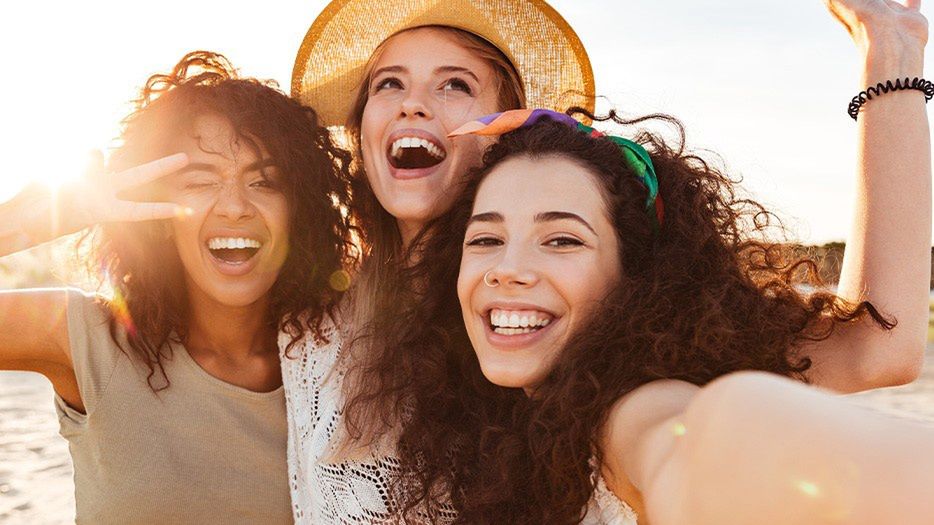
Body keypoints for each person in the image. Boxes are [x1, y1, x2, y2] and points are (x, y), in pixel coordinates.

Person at [281, 0, 930, 522]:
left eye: (455, 84)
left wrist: (891, 49)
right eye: (387, 83)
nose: (412, 102)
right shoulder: (308, 322)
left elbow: (864, 355)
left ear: (506, 128)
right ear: (363, 126)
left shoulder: (578, 335)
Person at [377, 104, 934, 523]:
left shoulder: (630, 411)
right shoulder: (496, 412)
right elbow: (879, 347)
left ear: (634, 277)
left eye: (563, 240)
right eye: (486, 239)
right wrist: (890, 48)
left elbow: (694, 442)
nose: (507, 268)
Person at [0, 51, 355, 523]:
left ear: (299, 214)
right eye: (200, 180)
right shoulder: (88, 339)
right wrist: (28, 223)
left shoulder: (342, 372)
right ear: (158, 215)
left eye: (265, 182)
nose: (234, 206)